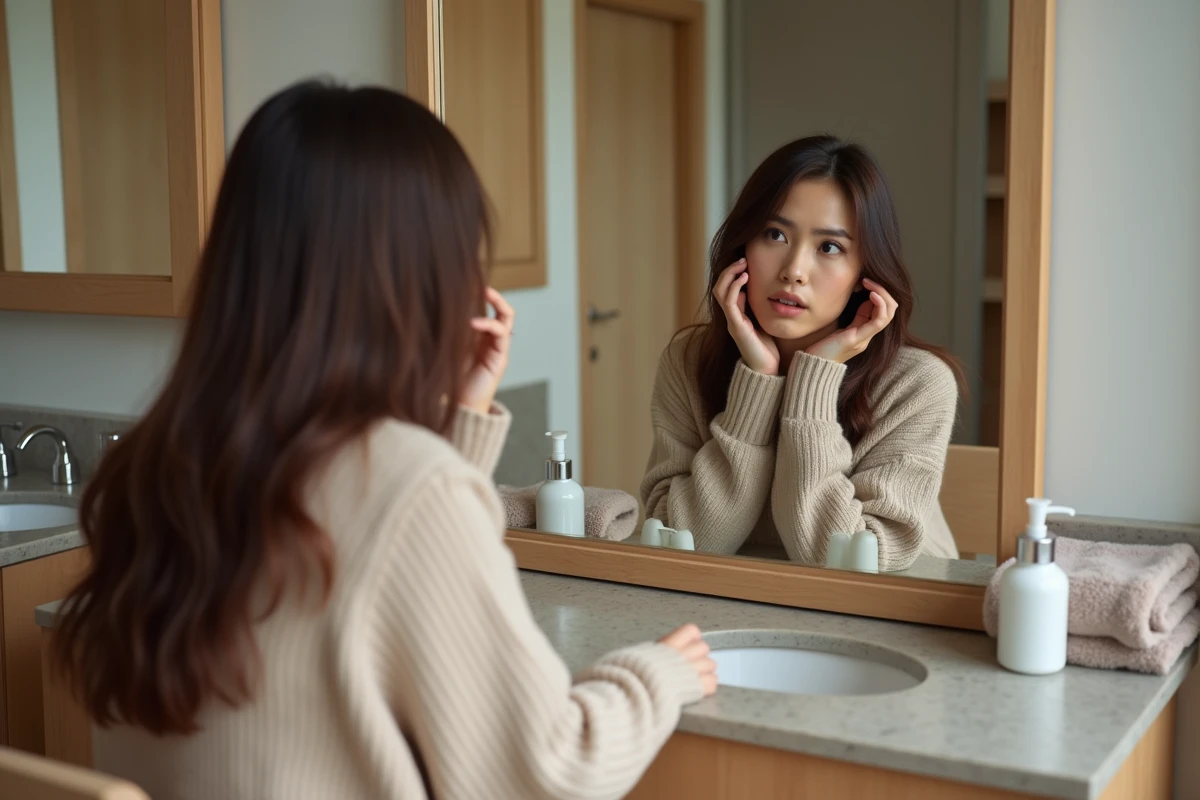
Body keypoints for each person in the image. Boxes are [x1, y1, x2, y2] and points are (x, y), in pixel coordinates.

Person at [50, 81, 716, 800]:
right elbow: (547, 770)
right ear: (424, 274)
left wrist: (455, 425)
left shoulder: (159, 462)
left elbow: (355, 586)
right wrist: (658, 673)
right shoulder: (410, 488)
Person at [641, 135, 964, 571]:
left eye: (829, 247)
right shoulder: (688, 360)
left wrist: (813, 381)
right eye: (775, 234)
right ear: (742, 247)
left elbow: (847, 564)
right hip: (737, 606)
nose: (793, 270)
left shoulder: (917, 383)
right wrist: (759, 380)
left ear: (863, 274)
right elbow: (681, 544)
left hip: (896, 613)